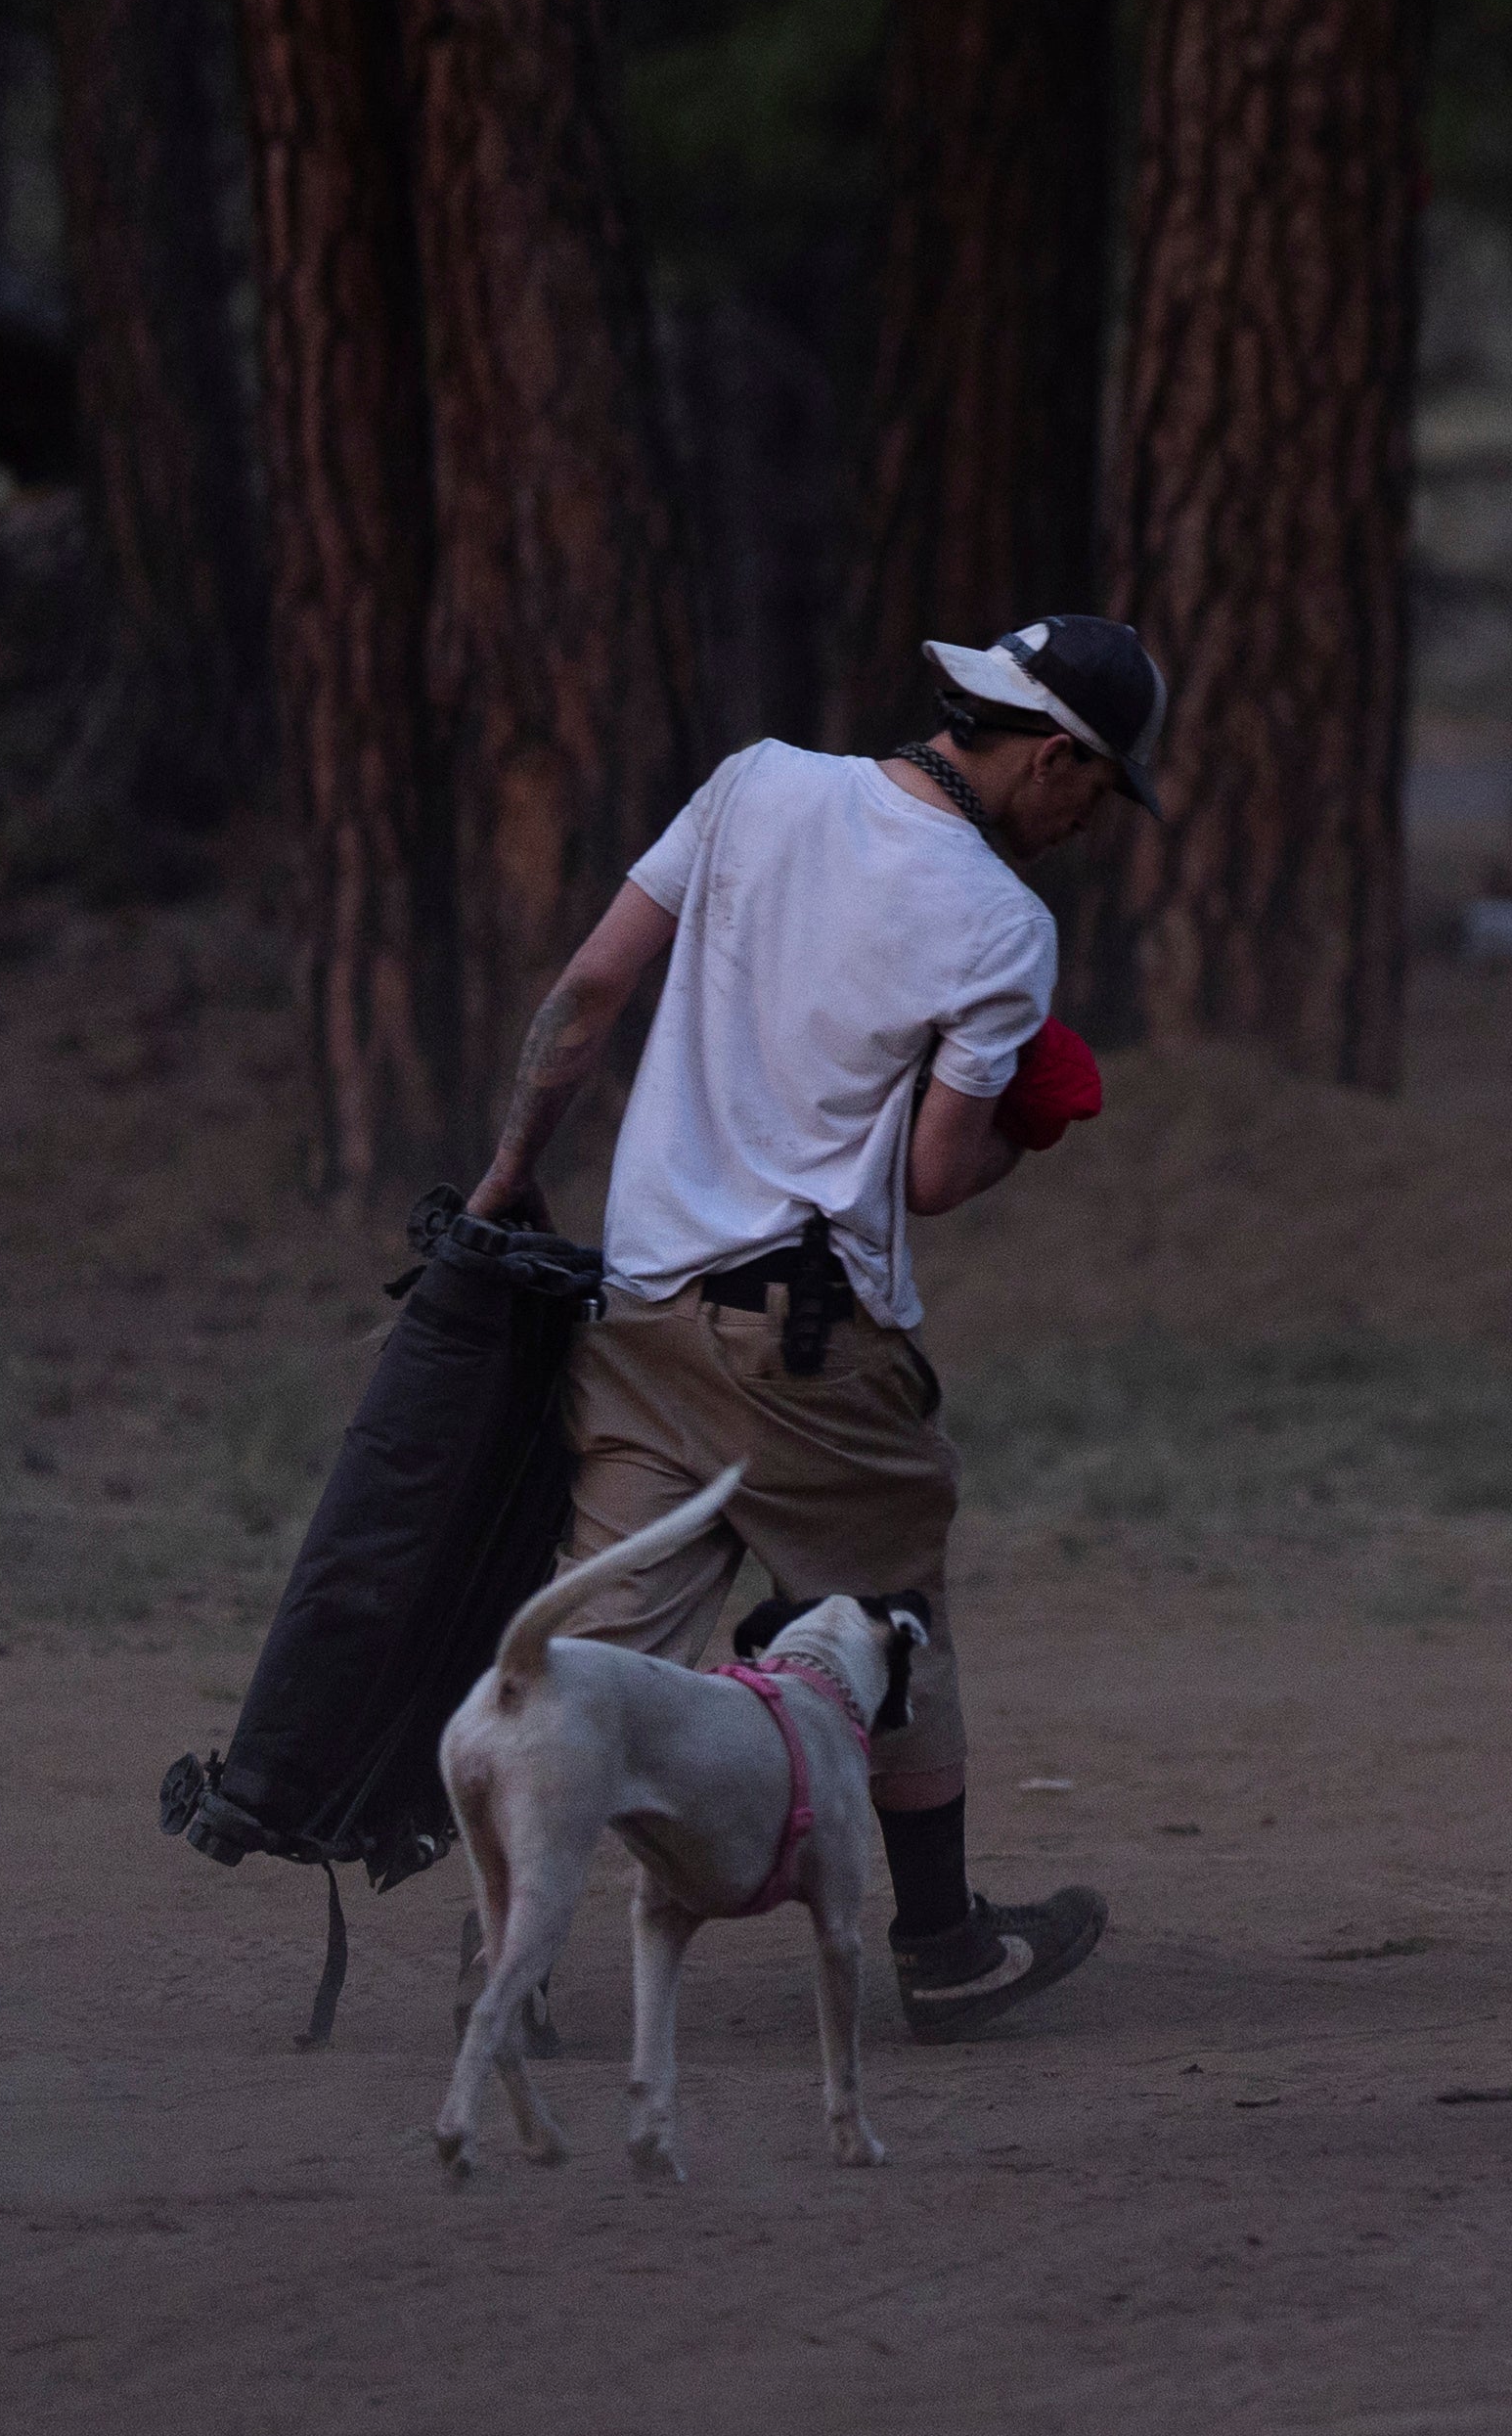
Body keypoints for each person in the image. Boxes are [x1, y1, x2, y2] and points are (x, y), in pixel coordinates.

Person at [464, 611, 1169, 2043]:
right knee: (897, 1612)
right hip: (804, 1348)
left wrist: (507, 1167)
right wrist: (1032, 1132)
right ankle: (948, 1948)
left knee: (594, 1657)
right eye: (1099, 790)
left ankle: (506, 1971)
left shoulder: (753, 784)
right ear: (1053, 757)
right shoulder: (998, 923)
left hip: (642, 1305)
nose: (1091, 821)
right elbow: (930, 1178)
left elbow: (590, 992)